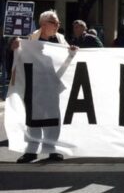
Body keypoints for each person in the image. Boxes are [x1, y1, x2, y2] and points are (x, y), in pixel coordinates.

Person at [13, 10, 77, 163]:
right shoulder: (30, 40)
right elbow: (18, 59)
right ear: (43, 24)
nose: (57, 26)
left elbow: (68, 60)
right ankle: (31, 151)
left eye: (58, 23)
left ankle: (52, 149)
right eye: (54, 22)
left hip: (52, 86)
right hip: (33, 85)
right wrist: (15, 47)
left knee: (53, 119)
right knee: (33, 120)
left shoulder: (60, 40)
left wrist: (72, 53)